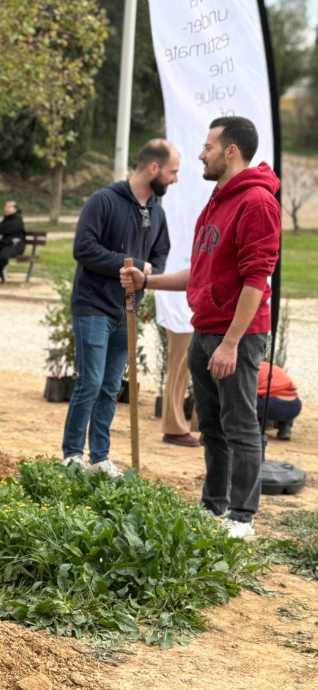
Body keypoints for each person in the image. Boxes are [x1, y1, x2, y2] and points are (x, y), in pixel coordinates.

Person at [121, 116, 281, 539]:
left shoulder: (257, 203)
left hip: (235, 338)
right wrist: (148, 281)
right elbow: (201, 272)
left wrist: (229, 345)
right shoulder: (219, 200)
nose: (199, 154)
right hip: (205, 331)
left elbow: (255, 280)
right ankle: (214, 507)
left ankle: (242, 518)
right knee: (210, 426)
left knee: (242, 426)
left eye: (208, 147)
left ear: (231, 151)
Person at [62, 139, 178, 477]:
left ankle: (99, 458)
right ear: (153, 169)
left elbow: (159, 256)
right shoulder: (104, 201)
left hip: (125, 311)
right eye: (173, 172)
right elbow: (83, 248)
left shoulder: (156, 210)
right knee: (92, 380)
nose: (175, 179)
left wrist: (146, 270)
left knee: (112, 385)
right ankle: (72, 455)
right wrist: (130, 265)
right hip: (93, 306)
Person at [259, 361, 300, 440]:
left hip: (273, 407)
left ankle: (256, 428)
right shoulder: (272, 367)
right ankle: (285, 428)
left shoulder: (252, 370)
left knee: (246, 399)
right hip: (295, 405)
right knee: (282, 396)